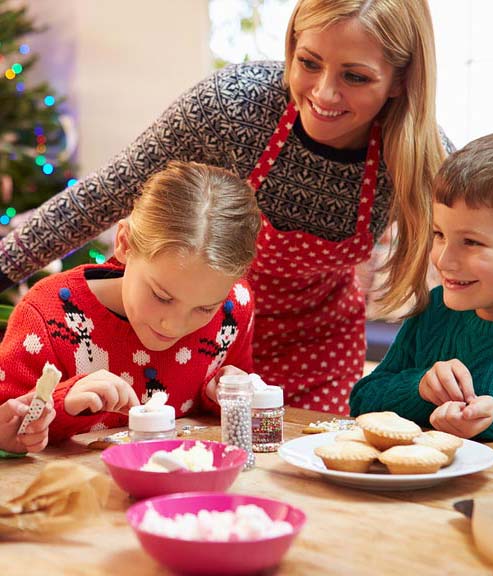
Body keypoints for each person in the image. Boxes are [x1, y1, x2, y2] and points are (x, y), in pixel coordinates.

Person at [0, 0, 452, 414]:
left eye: (355, 77)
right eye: (308, 63)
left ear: (401, 79)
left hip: (321, 349)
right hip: (204, 331)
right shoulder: (233, 106)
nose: (324, 93)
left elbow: (476, 249)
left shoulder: (420, 154)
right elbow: (103, 195)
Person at [0, 161, 260, 443]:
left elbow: (220, 408)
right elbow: (8, 427)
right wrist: (62, 404)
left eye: (205, 308)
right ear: (124, 244)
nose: (173, 325)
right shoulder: (48, 314)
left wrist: (225, 392)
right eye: (162, 296)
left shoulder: (234, 306)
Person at [349, 128, 493, 449]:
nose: (443, 258)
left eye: (471, 242)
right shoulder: (436, 308)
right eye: (439, 234)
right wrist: (420, 389)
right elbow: (363, 401)